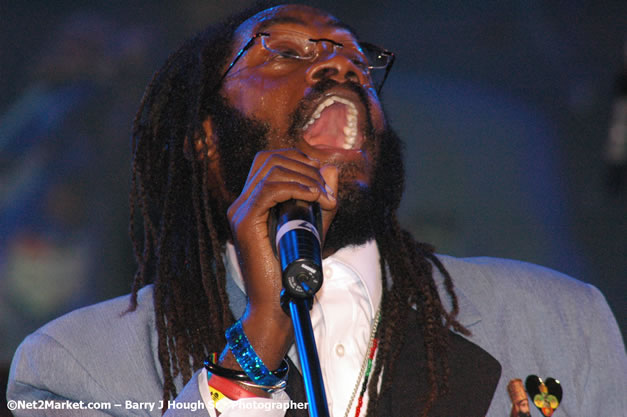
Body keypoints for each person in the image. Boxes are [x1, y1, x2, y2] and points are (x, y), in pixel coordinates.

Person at [7, 4, 626, 417]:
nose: (339, 63)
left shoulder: (565, 322)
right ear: (205, 137)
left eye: (355, 59)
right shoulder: (74, 365)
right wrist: (263, 328)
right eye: (283, 53)